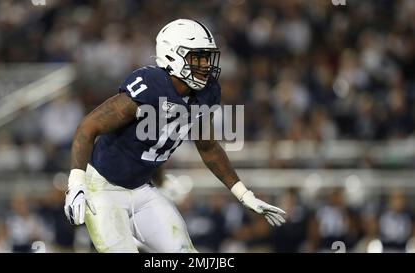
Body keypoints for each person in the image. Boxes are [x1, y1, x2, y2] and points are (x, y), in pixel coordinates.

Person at [64, 19, 286, 253]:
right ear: (172, 56)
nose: (204, 65)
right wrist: (76, 184)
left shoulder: (206, 92)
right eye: (196, 57)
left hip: (142, 190)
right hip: (102, 190)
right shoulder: (151, 86)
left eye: (206, 57)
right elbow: (87, 128)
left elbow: (208, 147)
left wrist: (244, 194)